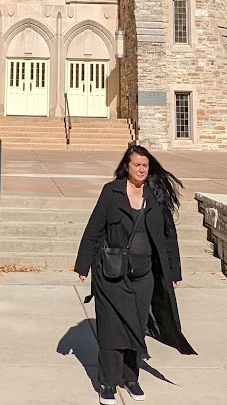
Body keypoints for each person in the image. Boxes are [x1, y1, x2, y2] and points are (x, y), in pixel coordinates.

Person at [75, 144, 196, 403]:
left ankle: (131, 378)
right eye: (137, 165)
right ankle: (107, 383)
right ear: (126, 167)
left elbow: (168, 236)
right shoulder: (112, 192)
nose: (141, 169)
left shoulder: (156, 195)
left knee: (135, 327)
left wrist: (174, 271)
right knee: (109, 329)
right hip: (111, 274)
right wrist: (83, 265)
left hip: (144, 276)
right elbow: (95, 227)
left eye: (145, 165)